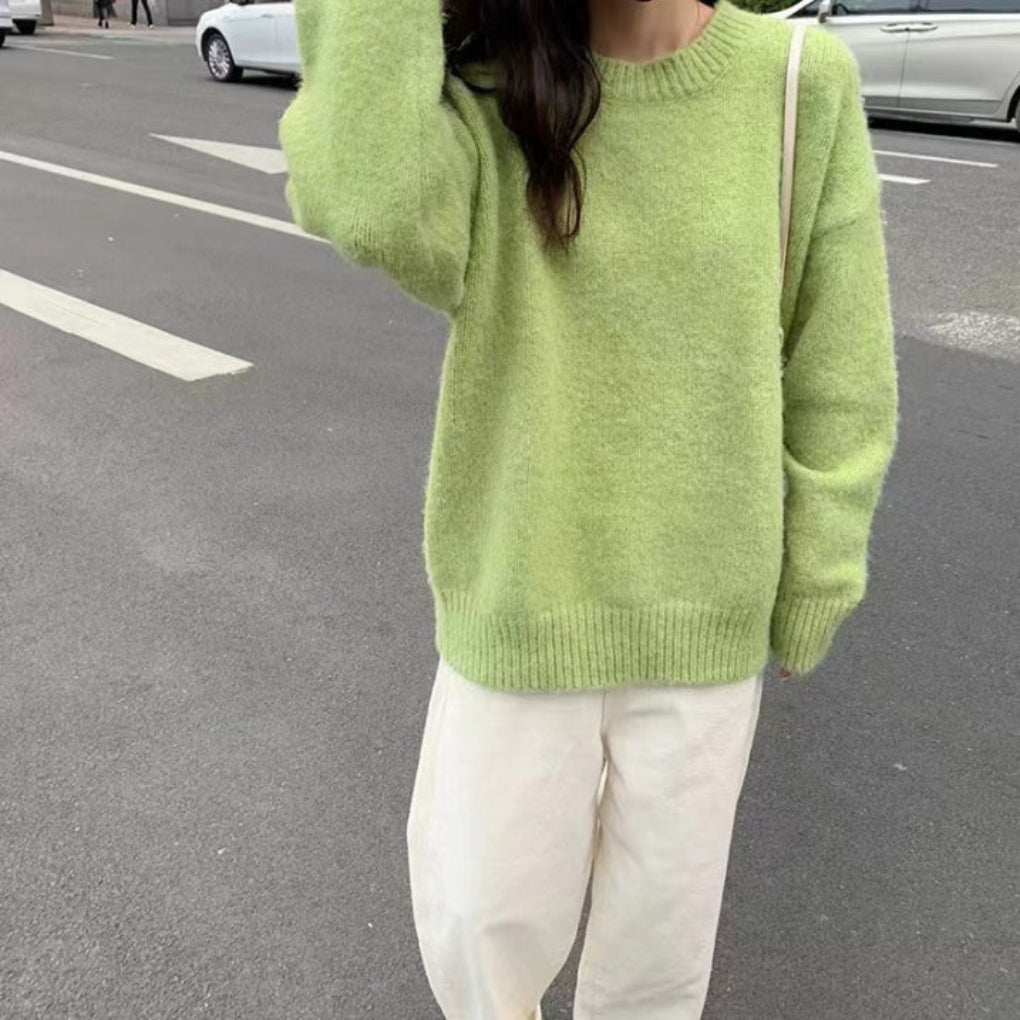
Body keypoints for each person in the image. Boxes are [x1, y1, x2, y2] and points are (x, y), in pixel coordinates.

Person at [280, 0, 898, 1016]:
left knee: (655, 969)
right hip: (521, 598)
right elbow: (367, 199)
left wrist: (820, 569)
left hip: (703, 617)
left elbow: (841, 362)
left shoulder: (797, 79)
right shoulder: (493, 92)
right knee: (480, 930)